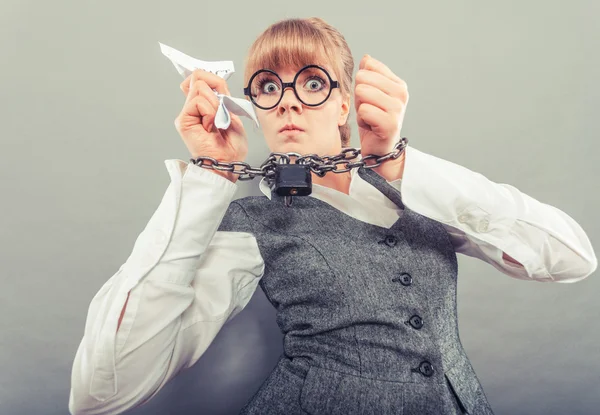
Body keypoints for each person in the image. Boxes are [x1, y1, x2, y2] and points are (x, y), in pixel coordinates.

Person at [68, 17, 597, 415]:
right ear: (253, 106)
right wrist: (210, 174)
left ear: (344, 103)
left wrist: (400, 163)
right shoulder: (251, 225)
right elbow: (102, 390)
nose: (290, 103)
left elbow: (571, 258)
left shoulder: (416, 188)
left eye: (313, 83)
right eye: (270, 87)